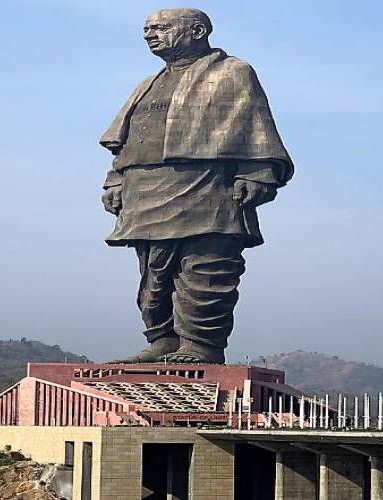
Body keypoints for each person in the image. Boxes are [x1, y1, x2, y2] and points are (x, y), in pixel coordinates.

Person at [99, 8, 293, 364]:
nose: (149, 34)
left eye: (160, 27)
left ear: (198, 31)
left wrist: (258, 173)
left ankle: (201, 344)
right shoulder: (148, 83)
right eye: (146, 29)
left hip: (207, 187)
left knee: (206, 266)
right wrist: (116, 180)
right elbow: (125, 142)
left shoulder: (232, 72)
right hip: (145, 189)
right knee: (154, 272)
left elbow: (255, 125)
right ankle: (163, 338)